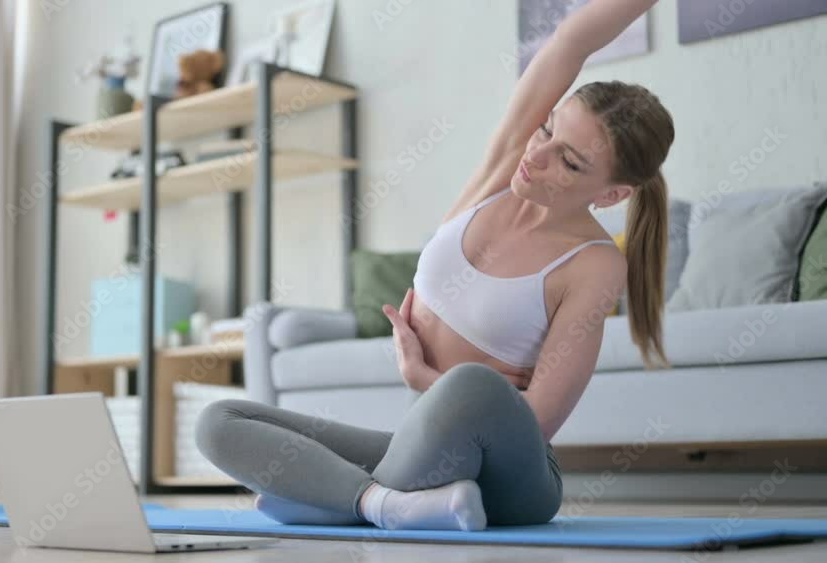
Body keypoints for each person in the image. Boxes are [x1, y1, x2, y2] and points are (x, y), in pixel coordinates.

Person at [196, 0, 673, 531]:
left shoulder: (594, 264)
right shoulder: (502, 173)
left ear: (611, 194)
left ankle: (337, 498)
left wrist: (425, 379)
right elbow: (570, 40)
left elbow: (534, 423)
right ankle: (383, 504)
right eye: (546, 130)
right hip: (418, 450)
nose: (536, 157)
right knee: (220, 421)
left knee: (472, 385)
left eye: (569, 161)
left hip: (511, 482)